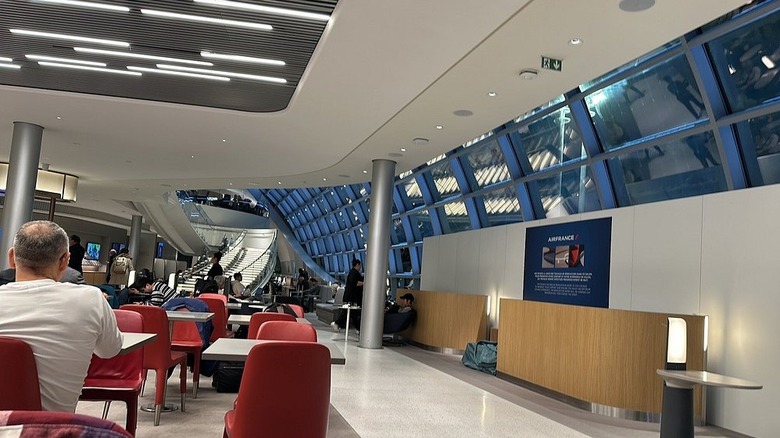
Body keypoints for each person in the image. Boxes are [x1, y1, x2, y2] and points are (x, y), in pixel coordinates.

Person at [0, 220, 123, 412]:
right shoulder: (91, 299)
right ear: (65, 261)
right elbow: (110, 350)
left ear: (12, 257)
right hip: (54, 428)